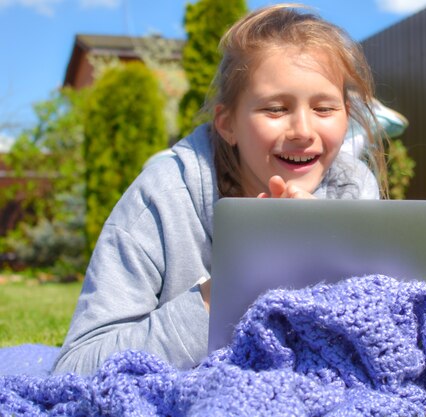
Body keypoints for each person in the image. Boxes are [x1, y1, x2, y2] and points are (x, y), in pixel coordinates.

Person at [53, 3, 388, 375]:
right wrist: (228, 286)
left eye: (325, 108)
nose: (304, 131)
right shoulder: (162, 197)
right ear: (227, 123)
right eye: (276, 109)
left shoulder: (353, 188)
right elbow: (76, 366)